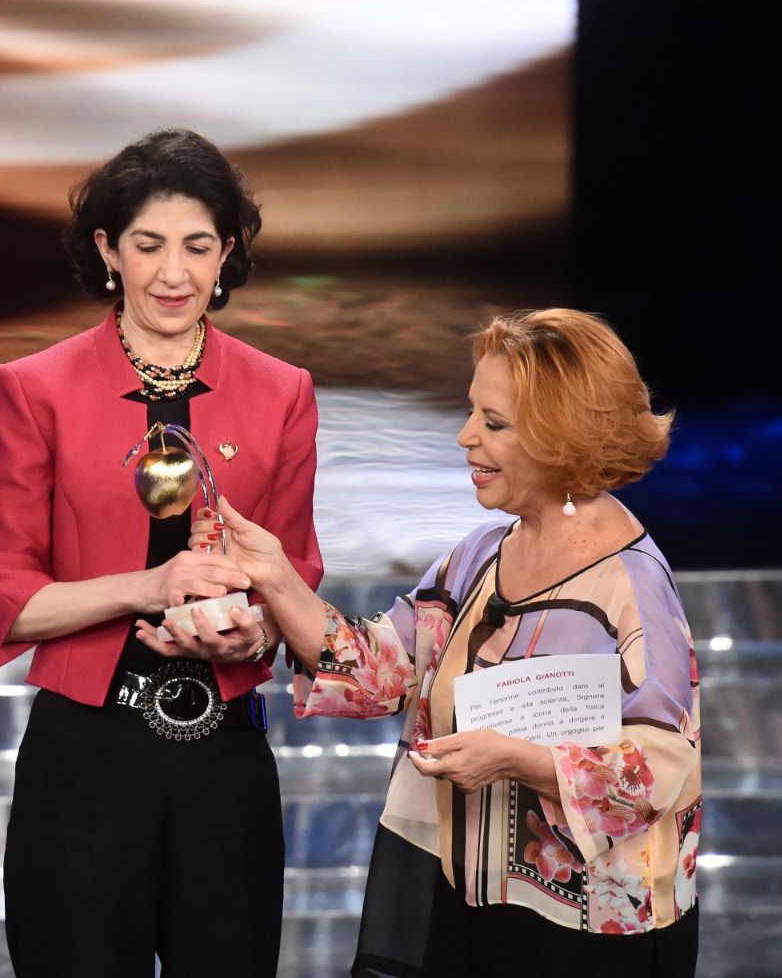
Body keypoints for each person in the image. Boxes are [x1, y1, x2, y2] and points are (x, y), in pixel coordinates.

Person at [183, 309, 700, 976]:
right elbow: (382, 672)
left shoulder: (632, 585)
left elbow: (659, 768)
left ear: (561, 435)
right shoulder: (479, 555)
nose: (464, 438)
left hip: (583, 936)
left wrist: (518, 759)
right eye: (471, 414)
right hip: (466, 907)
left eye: (493, 423)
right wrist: (275, 574)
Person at [0, 128, 323, 977]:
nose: (173, 273)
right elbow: (6, 594)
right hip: (86, 756)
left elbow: (296, 574)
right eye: (148, 245)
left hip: (226, 756)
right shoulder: (35, 389)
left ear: (226, 253)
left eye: (199, 247)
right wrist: (149, 586)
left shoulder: (282, 394)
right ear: (106, 250)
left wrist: (257, 631)